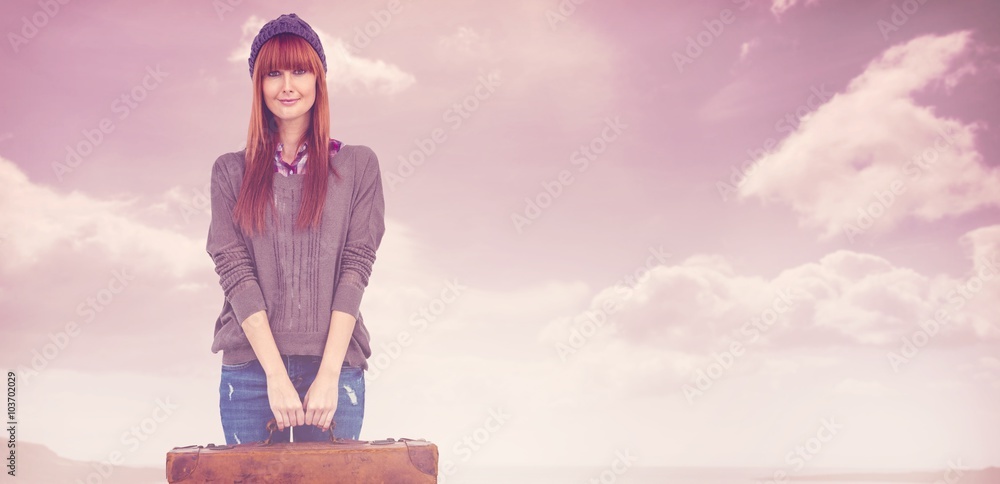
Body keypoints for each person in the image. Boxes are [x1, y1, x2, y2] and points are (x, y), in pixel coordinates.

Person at [206, 13, 386, 445]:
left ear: (318, 79)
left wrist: (327, 374)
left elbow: (356, 267)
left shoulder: (358, 166)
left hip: (335, 369)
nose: (287, 85)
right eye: (273, 73)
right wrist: (274, 375)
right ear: (258, 85)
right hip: (251, 373)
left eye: (300, 70)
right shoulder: (230, 172)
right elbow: (235, 270)